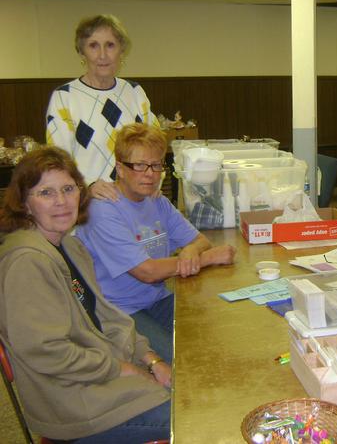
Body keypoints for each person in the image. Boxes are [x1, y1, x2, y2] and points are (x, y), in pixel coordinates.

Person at [0, 147, 171, 443]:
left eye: (68, 188)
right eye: (46, 193)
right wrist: (123, 369)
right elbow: (47, 352)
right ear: (25, 203)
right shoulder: (26, 263)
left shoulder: (69, 246)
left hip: (97, 377)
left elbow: (105, 317)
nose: (62, 202)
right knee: (189, 412)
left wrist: (151, 358)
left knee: (192, 387)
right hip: (73, 404)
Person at [76, 123, 236, 364]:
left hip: (156, 299)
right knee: (180, 362)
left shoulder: (156, 201)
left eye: (156, 165)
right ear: (120, 168)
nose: (150, 174)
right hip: (119, 312)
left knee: (212, 338)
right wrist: (207, 258)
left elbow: (199, 240)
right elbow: (147, 272)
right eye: (139, 165)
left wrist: (192, 249)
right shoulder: (102, 210)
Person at [46, 14, 160, 201]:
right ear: (82, 52)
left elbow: (154, 148)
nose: (102, 55)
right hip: (90, 204)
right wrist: (88, 186)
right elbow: (58, 159)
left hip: (136, 202)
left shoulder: (135, 92)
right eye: (93, 46)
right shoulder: (65, 97)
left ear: (121, 50)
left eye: (110, 45)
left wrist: (154, 181)